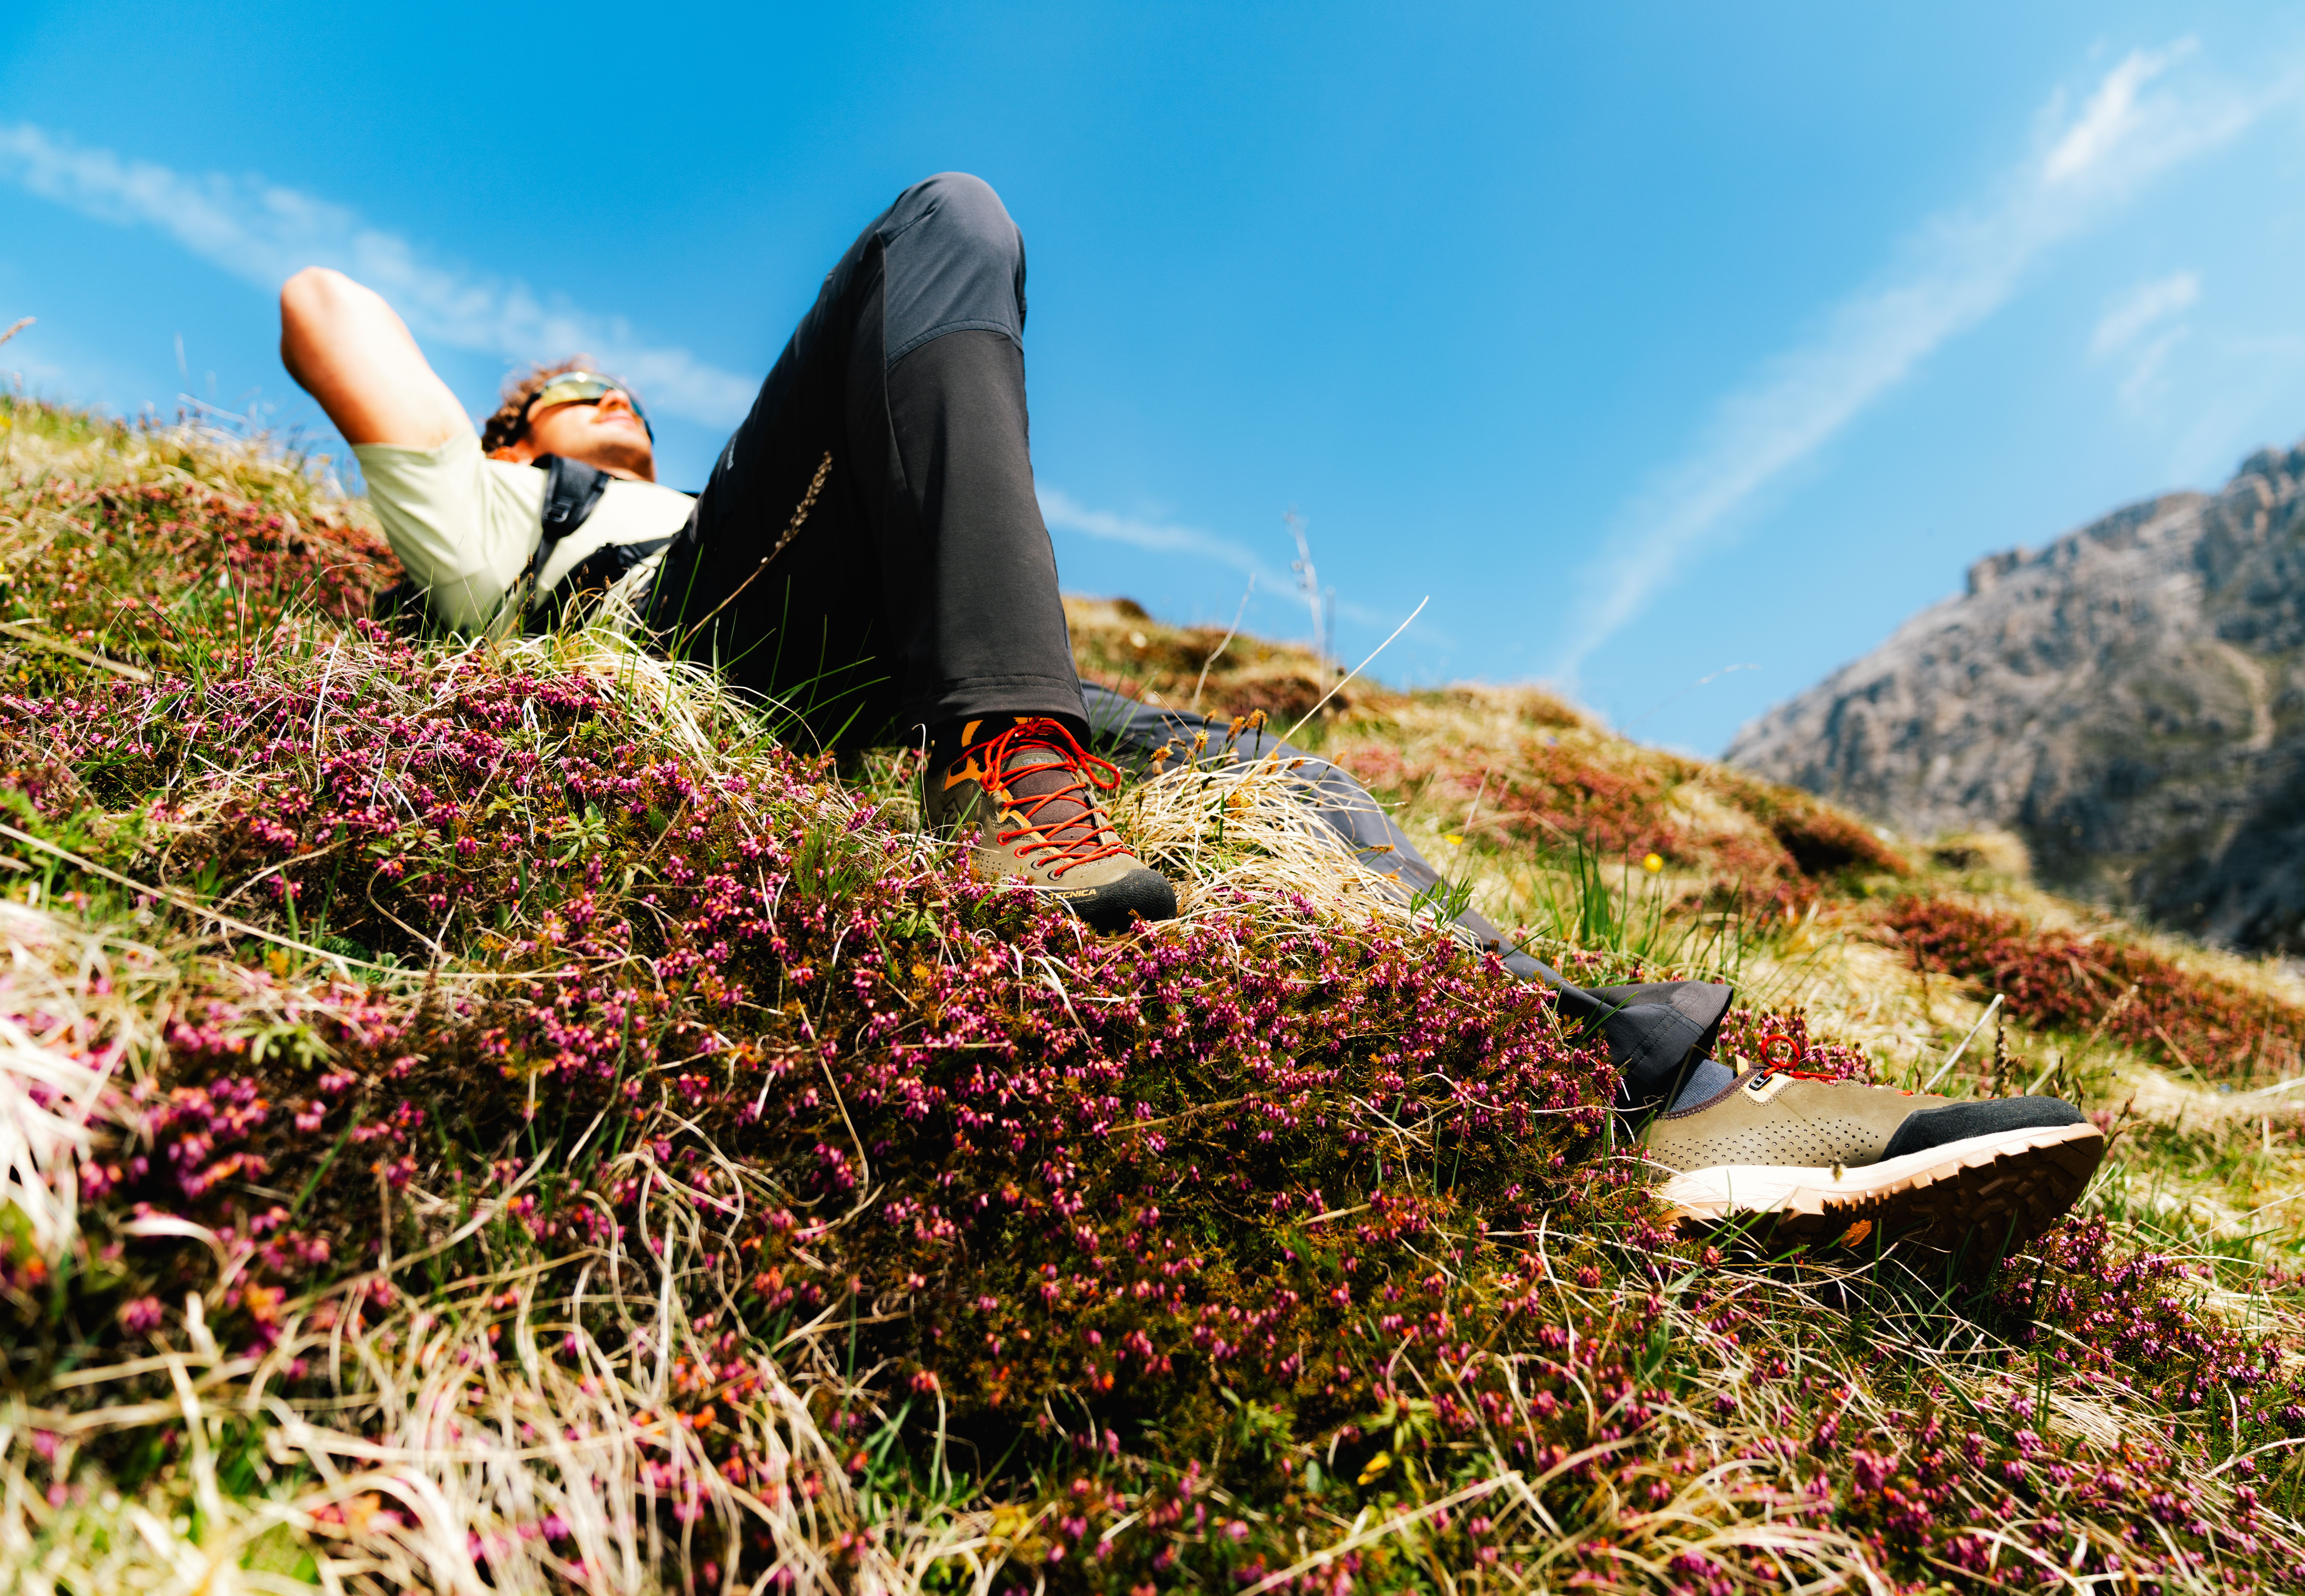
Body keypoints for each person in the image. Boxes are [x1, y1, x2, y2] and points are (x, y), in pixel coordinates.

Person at [280, 172, 2101, 1256]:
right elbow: (320, 300)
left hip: (876, 653)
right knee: (951, 217)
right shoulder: (496, 518)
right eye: (555, 396)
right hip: (715, 651)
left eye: (613, 391)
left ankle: (1662, 1097)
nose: (592, 396)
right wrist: (476, 427)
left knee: (1272, 777)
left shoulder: (721, 480)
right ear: (509, 441)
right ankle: (1015, 781)